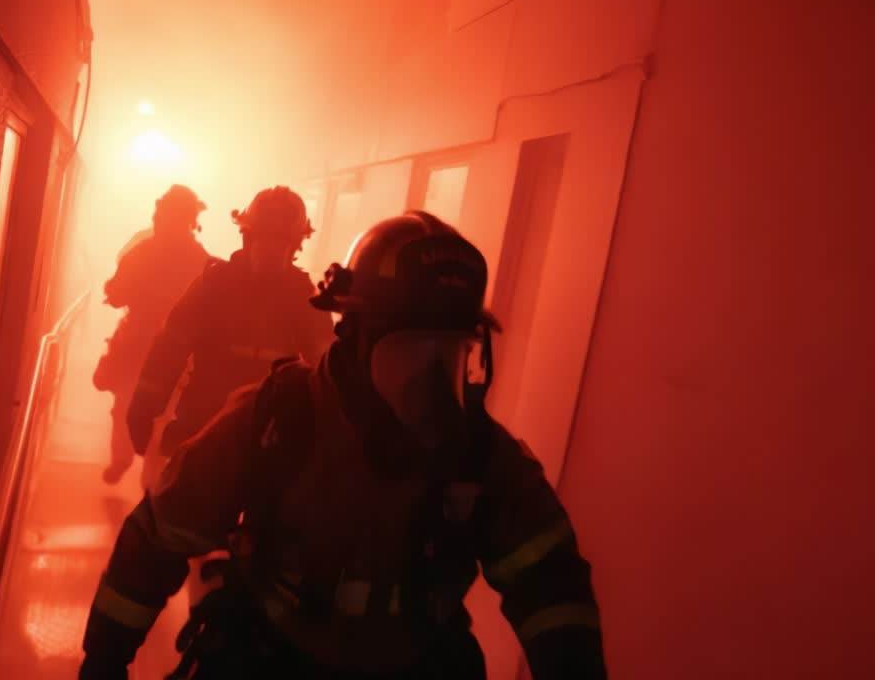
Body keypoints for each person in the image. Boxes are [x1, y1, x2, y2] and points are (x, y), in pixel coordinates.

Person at [79, 211, 607, 680]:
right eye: (409, 355)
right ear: (355, 339)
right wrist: (103, 660)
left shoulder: (477, 454)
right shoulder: (276, 421)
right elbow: (155, 539)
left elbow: (552, 584)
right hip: (270, 656)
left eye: (450, 358)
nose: (429, 385)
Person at [125, 185, 334, 470]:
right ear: (248, 238)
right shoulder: (214, 286)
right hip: (205, 423)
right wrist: (144, 407)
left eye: (281, 241)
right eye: (265, 239)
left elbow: (327, 366)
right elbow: (170, 348)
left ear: (296, 245)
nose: (272, 251)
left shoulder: (303, 296)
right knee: (187, 507)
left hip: (270, 428)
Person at [93, 184, 210, 485]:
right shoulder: (201, 259)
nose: (158, 219)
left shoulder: (144, 251)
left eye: (162, 213)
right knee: (164, 414)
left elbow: (117, 294)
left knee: (126, 405)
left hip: (142, 343)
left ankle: (124, 459)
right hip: (178, 352)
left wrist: (118, 290)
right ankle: (152, 477)